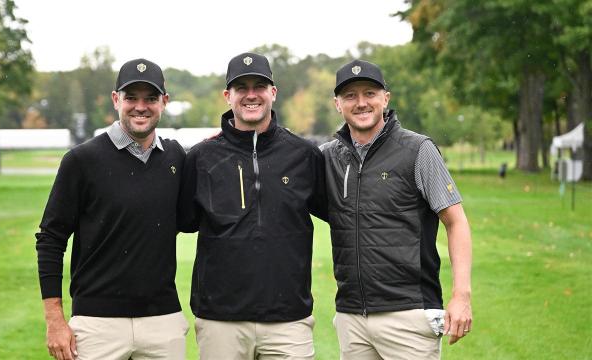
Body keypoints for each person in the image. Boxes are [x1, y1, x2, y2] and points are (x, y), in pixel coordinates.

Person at [178, 52, 328, 360]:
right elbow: (184, 221)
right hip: (220, 319)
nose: (250, 95)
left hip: (289, 319)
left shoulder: (304, 155)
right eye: (241, 87)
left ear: (273, 92)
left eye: (259, 86)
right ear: (227, 95)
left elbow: (335, 215)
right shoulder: (201, 157)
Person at [36, 58, 188, 360]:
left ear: (165, 102)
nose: (140, 106)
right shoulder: (81, 160)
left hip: (162, 322)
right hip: (96, 325)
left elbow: (191, 218)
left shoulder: (175, 157)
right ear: (116, 99)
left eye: (150, 98)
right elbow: (51, 239)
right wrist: (54, 320)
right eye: (131, 97)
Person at [320, 59, 473, 359]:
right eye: (350, 95)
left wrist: (461, 295)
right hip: (351, 317)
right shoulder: (327, 157)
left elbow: (456, 222)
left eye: (370, 93)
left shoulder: (418, 149)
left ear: (385, 98)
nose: (361, 102)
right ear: (337, 104)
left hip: (409, 315)